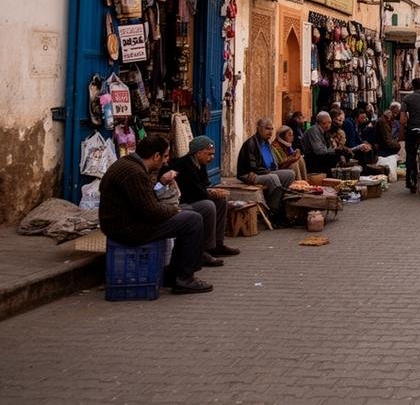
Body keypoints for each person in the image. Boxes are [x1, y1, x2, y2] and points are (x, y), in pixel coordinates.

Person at [99, 135, 211, 294]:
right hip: (127, 228)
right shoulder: (133, 172)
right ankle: (185, 278)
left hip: (130, 221)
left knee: (189, 214)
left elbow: (147, 202)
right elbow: (151, 211)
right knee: (192, 220)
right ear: (156, 156)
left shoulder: (130, 165)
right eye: (165, 156)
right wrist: (173, 210)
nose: (166, 162)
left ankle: (175, 274)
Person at [166, 136, 241, 267]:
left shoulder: (200, 164)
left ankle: (217, 244)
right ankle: (204, 251)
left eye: (212, 154)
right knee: (208, 205)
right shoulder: (183, 166)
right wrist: (209, 193)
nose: (211, 157)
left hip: (194, 199)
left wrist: (212, 192)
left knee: (221, 201)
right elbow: (191, 193)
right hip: (181, 203)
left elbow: (203, 187)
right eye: (209, 154)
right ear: (198, 153)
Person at [236, 117, 296, 217]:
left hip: (265, 172)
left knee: (290, 174)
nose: (270, 132)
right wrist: (266, 172)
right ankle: (273, 210)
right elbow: (252, 167)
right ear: (258, 128)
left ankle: (279, 203)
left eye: (272, 129)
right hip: (251, 174)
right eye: (267, 129)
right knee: (273, 178)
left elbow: (273, 163)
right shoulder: (251, 143)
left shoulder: (266, 142)